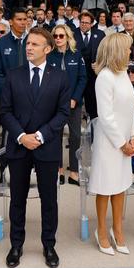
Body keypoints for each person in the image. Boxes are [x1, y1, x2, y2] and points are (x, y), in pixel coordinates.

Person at [0, 27, 70, 268]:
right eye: (28, 43)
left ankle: (49, 244)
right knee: (17, 199)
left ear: (48, 49)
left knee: (49, 200)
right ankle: (16, 245)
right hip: (18, 146)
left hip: (46, 146)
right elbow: (4, 111)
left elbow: (63, 113)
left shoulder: (60, 77)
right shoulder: (13, 75)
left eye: (35, 44)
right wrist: (21, 136)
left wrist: (40, 135)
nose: (29, 47)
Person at [89, 32, 134, 256]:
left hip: (125, 141)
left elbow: (130, 108)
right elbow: (105, 116)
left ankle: (118, 229)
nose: (130, 51)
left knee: (120, 185)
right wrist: (122, 143)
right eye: (127, 48)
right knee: (105, 187)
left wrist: (133, 136)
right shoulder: (105, 77)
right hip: (109, 142)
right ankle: (101, 230)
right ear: (118, 50)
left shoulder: (123, 75)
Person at [48, 24, 86, 185]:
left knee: (76, 136)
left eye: (61, 36)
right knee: (55, 136)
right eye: (55, 36)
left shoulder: (76, 55)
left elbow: (82, 79)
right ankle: (59, 170)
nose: (58, 39)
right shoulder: (49, 55)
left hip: (73, 103)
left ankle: (74, 172)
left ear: (68, 37)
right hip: (55, 104)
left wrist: (75, 99)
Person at [0, 8, 28, 97]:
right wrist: (7, 90)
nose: (23, 23)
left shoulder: (33, 41)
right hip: (7, 94)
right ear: (10, 22)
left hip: (30, 93)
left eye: (25, 19)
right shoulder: (0, 43)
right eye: (19, 19)